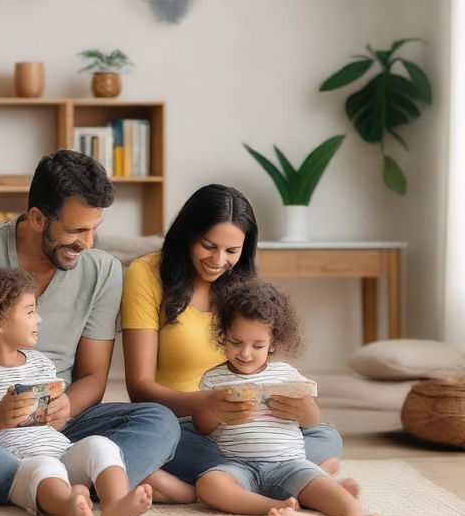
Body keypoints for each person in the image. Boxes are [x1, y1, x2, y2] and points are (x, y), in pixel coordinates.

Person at [0, 149, 180, 516]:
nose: (87, 242)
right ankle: (56, 486)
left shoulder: (103, 271)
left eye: (94, 228)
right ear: (38, 218)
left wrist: (66, 408)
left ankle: (50, 487)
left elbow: (92, 377)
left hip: (55, 433)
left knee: (158, 419)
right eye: (75, 230)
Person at [121, 184, 353, 498]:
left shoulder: (242, 284)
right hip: (187, 425)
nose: (218, 260)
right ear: (188, 233)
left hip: (247, 427)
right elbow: (139, 386)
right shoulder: (146, 273)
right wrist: (209, 404)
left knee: (326, 436)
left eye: (232, 251)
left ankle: (215, 484)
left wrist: (289, 405)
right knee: (154, 433)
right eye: (208, 245)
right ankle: (297, 477)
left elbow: (259, 359)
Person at [0, 267, 153, 516]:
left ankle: (114, 506)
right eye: (30, 311)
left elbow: (52, 423)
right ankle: (71, 507)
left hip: (61, 452)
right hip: (17, 465)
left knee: (99, 445)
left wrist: (60, 412)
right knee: (44, 467)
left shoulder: (41, 364)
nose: (39, 319)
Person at [195, 279, 382, 516]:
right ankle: (279, 505)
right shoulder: (213, 379)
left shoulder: (286, 374)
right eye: (236, 342)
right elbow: (202, 427)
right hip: (238, 466)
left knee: (333, 492)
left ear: (274, 341)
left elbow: (311, 422)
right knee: (209, 486)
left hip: (289, 463)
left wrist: (303, 408)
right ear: (223, 334)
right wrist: (216, 410)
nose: (245, 353)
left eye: (257, 345)